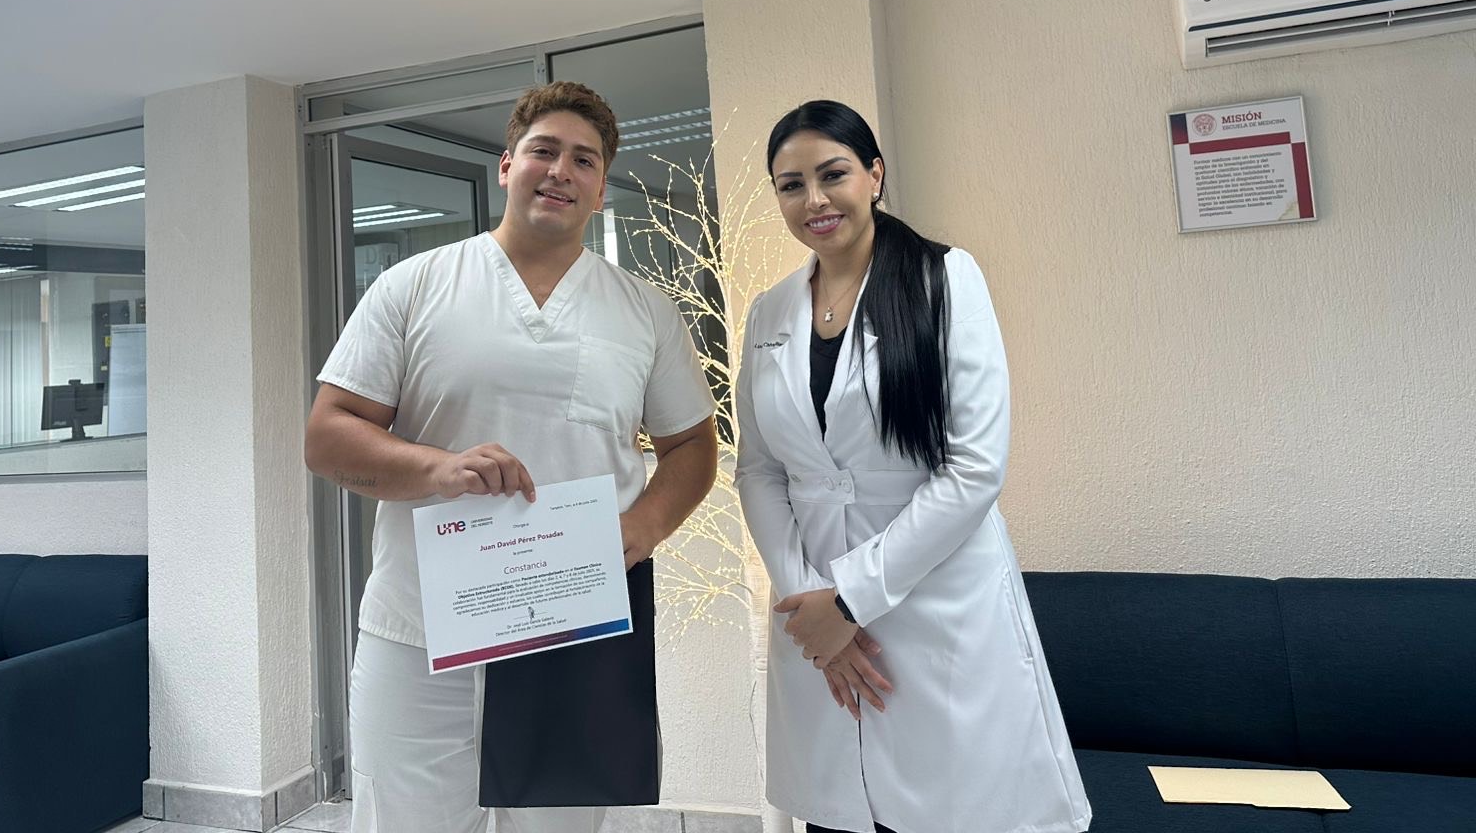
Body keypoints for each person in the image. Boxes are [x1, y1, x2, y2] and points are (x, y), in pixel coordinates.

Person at [305, 81, 718, 833]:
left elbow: (691, 444)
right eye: (543, 151)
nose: (561, 171)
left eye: (584, 160)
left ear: (600, 189)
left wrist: (645, 525)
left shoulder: (644, 312)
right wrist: (435, 469)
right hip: (421, 628)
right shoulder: (415, 286)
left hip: (575, 623)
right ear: (506, 166)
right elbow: (328, 435)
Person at [735, 100, 1090, 833]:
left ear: (874, 175)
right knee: (839, 814)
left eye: (833, 174)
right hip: (812, 603)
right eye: (791, 185)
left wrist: (849, 602)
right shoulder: (768, 313)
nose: (814, 199)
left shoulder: (943, 278)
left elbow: (974, 468)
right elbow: (760, 470)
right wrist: (811, 606)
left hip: (935, 597)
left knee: (953, 811)